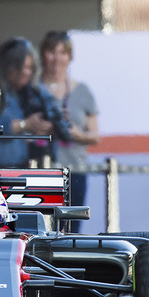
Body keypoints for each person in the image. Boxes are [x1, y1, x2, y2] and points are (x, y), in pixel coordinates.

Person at [38, 31, 99, 232]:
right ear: (43, 55)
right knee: (39, 229)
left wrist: (74, 133)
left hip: (74, 171)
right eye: (51, 52)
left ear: (70, 57)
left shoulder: (82, 91)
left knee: (71, 230)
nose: (57, 58)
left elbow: (95, 136)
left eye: (63, 52)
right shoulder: (33, 89)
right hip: (39, 171)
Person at [0, 37, 70, 169]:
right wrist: (26, 124)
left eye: (30, 67)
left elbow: (56, 117)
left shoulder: (36, 92)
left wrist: (52, 125)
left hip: (30, 166)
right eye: (21, 67)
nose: (26, 72)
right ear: (8, 66)